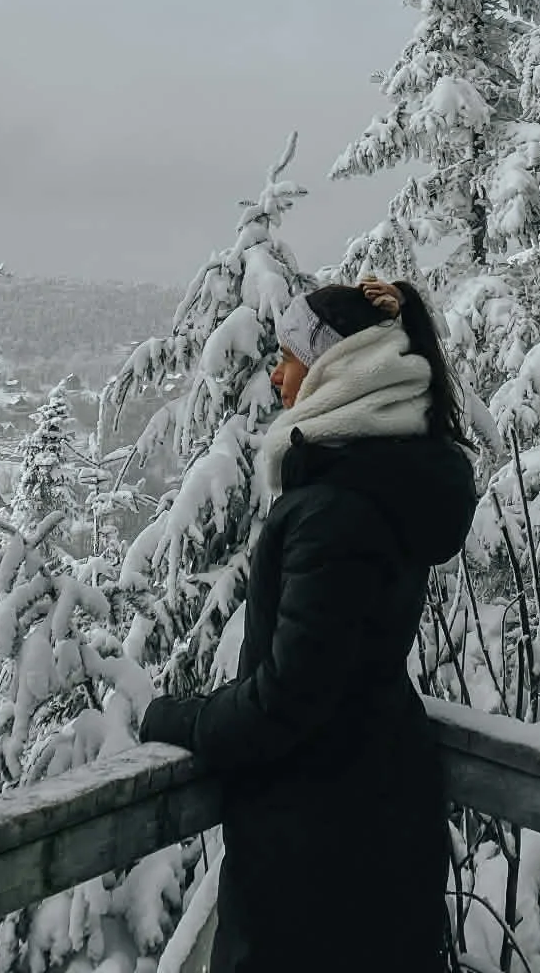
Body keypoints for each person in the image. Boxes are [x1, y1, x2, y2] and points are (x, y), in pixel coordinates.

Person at [139, 274, 478, 973]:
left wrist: (175, 719)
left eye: (289, 354)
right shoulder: (384, 476)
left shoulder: (335, 507)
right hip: (376, 819)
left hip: (321, 851)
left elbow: (289, 698)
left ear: (333, 368)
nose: (275, 369)